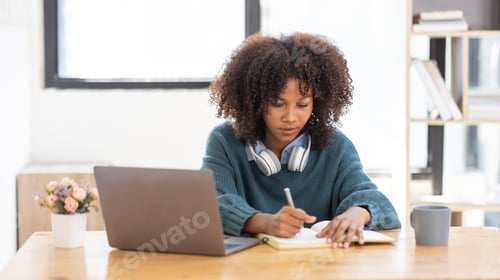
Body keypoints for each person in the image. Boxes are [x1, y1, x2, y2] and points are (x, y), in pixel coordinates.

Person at [202, 32, 401, 248]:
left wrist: (358, 213)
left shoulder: (336, 146)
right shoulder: (225, 141)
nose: (290, 117)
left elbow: (378, 203)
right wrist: (266, 222)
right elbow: (210, 206)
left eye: (302, 105)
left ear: (317, 102)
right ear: (254, 102)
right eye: (278, 104)